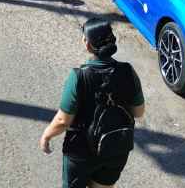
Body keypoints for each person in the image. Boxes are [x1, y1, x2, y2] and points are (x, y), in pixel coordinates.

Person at [40, 18, 144, 188]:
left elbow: (62, 120)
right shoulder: (128, 71)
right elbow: (139, 112)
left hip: (81, 152)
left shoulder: (79, 77)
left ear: (88, 45)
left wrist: (46, 135)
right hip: (115, 148)